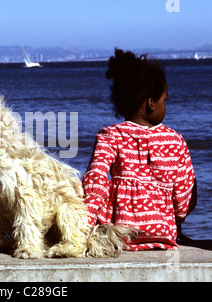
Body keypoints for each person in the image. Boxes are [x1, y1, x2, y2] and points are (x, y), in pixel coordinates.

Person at [82, 49, 197, 250]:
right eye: (164, 101)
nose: (165, 107)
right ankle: (172, 232)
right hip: (164, 232)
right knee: (188, 185)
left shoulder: (111, 135)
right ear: (151, 103)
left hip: (120, 233)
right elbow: (183, 195)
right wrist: (175, 218)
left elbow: (95, 181)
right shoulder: (175, 140)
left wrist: (84, 224)